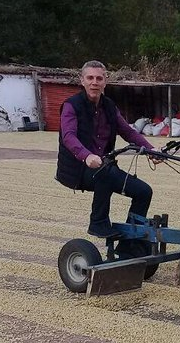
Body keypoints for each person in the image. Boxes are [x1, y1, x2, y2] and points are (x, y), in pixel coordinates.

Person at [56, 60, 158, 238]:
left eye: (99, 78)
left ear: (105, 81)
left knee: (143, 192)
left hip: (105, 168)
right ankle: (98, 223)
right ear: (82, 81)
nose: (94, 82)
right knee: (104, 174)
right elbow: (68, 136)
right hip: (78, 169)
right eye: (90, 78)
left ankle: (133, 239)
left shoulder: (109, 106)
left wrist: (151, 150)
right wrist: (86, 156)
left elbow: (127, 131)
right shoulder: (71, 106)